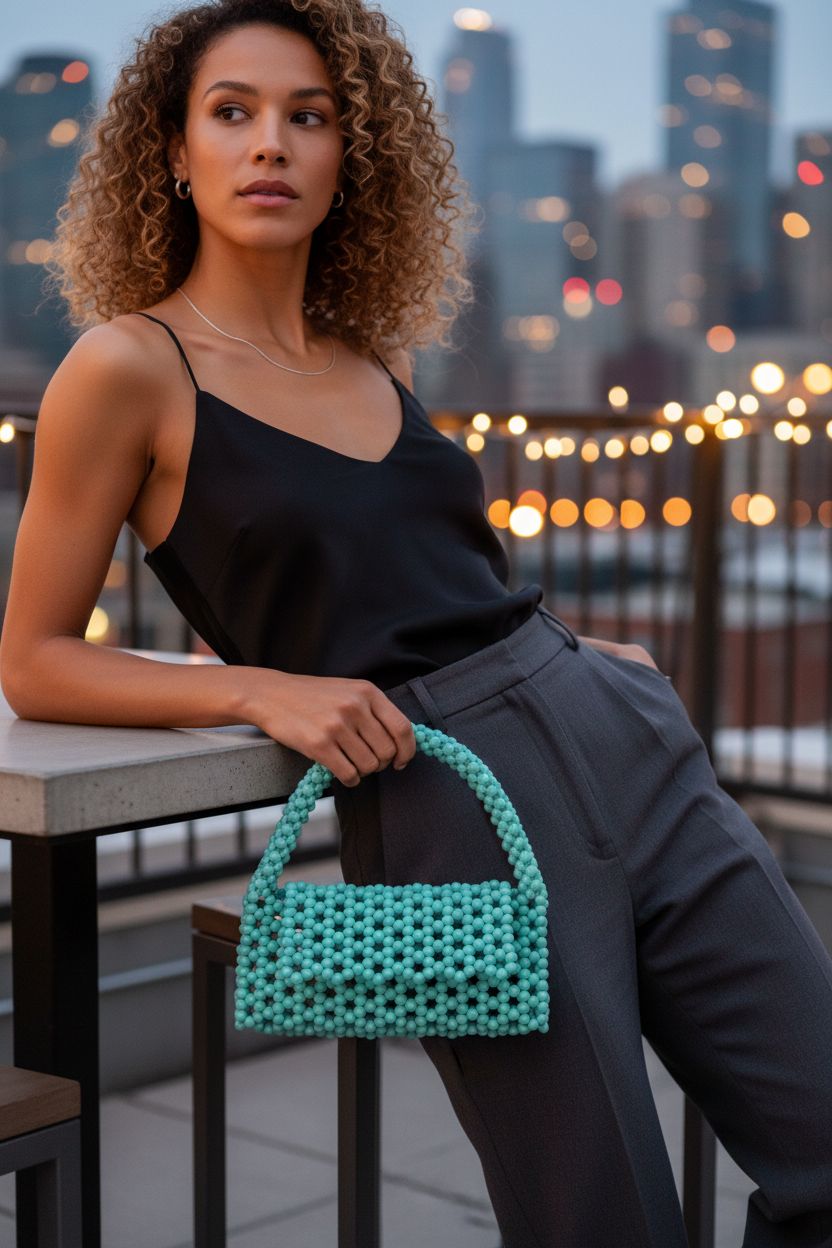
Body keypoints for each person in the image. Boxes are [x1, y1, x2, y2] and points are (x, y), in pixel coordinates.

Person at [3, 1, 832, 1243]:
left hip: (622, 733)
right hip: (448, 795)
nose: (270, 145)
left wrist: (578, 662)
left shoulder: (369, 359)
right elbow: (32, 661)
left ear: (353, 158)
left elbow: (443, 573)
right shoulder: (128, 367)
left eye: (309, 117)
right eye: (231, 113)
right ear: (173, 153)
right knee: (600, 1217)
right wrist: (256, 689)